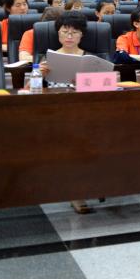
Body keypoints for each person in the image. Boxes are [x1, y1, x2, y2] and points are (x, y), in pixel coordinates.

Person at [38, 11, 100, 214]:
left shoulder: (91, 60)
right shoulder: (47, 59)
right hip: (55, 111)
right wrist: (39, 75)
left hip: (86, 111)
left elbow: (108, 86)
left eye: (75, 32)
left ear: (82, 35)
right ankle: (76, 192)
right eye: (65, 31)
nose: (69, 36)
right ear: (58, 34)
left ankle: (92, 184)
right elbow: (29, 90)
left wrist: (85, 82)